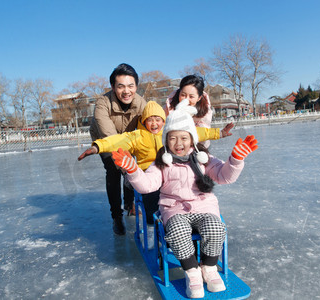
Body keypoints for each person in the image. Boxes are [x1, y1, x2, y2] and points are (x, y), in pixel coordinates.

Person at [111, 100, 258, 298]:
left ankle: (209, 268)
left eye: (183, 137)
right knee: (178, 231)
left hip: (204, 207)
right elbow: (146, 185)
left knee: (215, 227)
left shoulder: (203, 159)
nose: (178, 144)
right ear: (166, 140)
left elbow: (225, 176)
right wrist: (133, 170)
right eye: (172, 138)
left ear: (192, 139)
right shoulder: (161, 164)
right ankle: (192, 272)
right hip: (174, 210)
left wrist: (235, 161)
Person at [79, 100, 234, 224]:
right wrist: (97, 147)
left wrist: (219, 133)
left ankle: (193, 216)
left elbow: (197, 132)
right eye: (150, 120)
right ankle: (155, 221)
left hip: (169, 170)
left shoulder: (168, 132)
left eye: (158, 119)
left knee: (187, 184)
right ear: (144, 121)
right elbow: (116, 140)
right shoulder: (137, 135)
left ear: (163, 120)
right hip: (148, 175)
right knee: (153, 195)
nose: (154, 124)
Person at [89, 63, 147, 235]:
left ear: (136, 86)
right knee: (115, 169)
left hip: (130, 138)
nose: (126, 91)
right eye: (121, 86)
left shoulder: (141, 103)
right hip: (105, 138)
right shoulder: (102, 103)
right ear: (113, 87)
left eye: (131, 86)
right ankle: (116, 216)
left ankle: (130, 204)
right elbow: (111, 138)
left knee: (133, 167)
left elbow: (149, 130)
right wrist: (125, 166)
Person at [164, 75, 213, 147]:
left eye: (191, 97)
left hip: (199, 147)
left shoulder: (205, 111)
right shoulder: (169, 107)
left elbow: (204, 135)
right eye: (183, 95)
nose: (186, 100)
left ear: (199, 98)